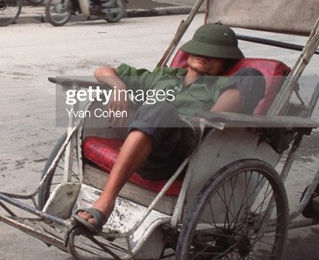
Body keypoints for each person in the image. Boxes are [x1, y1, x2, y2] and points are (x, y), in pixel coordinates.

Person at [73, 23, 265, 233]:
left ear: (225, 62)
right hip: (144, 148)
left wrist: (207, 124)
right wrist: (119, 87)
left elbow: (251, 82)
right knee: (157, 108)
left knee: (160, 108)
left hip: (186, 154)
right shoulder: (163, 76)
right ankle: (130, 153)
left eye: (215, 54)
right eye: (201, 49)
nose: (205, 56)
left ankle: (106, 202)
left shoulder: (218, 86)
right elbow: (102, 70)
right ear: (190, 51)